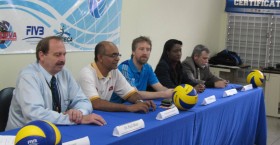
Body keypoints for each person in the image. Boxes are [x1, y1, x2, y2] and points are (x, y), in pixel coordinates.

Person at [6, 36, 106, 131]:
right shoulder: (28, 76)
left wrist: (79, 113)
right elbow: (34, 114)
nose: (63, 59)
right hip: (23, 135)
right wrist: (73, 119)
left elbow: (83, 101)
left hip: (55, 129)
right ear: (42, 56)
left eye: (64, 54)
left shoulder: (64, 73)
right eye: (57, 55)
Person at [78, 41, 156, 112]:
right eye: (113, 55)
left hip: (102, 114)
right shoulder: (86, 73)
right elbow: (96, 103)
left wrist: (140, 102)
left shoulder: (114, 71)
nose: (118, 59)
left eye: (118, 55)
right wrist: (128, 108)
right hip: (84, 116)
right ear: (100, 57)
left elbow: (130, 93)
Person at [116, 36, 173, 101]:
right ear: (133, 52)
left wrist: (174, 93)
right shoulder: (124, 68)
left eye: (148, 49)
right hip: (118, 107)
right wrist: (163, 94)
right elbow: (134, 94)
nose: (145, 53)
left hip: (137, 105)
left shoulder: (148, 67)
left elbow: (159, 87)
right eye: (141, 49)